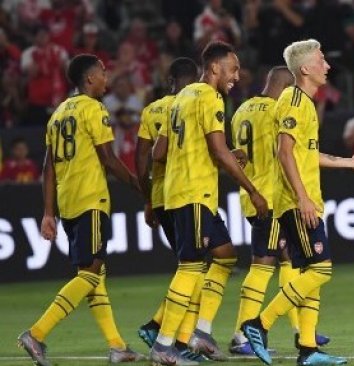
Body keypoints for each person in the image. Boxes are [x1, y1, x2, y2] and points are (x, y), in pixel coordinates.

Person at [240, 39, 354, 366]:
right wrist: (302, 198)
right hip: (295, 202)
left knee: (312, 272)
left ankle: (309, 349)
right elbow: (284, 153)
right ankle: (259, 324)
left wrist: (348, 163)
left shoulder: (304, 104)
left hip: (305, 199)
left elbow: (305, 154)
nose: (327, 65)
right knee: (321, 270)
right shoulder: (293, 100)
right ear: (305, 69)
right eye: (321, 60)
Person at [17, 54, 144, 366]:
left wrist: (49, 211)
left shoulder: (58, 113)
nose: (106, 77)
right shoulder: (94, 109)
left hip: (69, 203)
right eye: (102, 72)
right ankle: (37, 333)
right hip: (91, 200)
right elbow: (109, 158)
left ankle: (116, 346)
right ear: (89, 79)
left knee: (94, 274)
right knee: (90, 273)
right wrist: (138, 184)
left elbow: (48, 166)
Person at [149, 41, 268, 365]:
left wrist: (221, 155)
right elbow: (216, 150)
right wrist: (253, 190)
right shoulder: (210, 97)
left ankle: (200, 332)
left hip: (178, 191)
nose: (237, 75)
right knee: (190, 267)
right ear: (215, 68)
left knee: (225, 256)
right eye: (233, 68)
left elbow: (157, 153)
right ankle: (163, 344)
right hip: (193, 193)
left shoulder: (180, 98)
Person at [229, 66, 330, 356]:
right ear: (286, 87)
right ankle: (243, 333)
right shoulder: (278, 111)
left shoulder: (241, 110)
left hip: (250, 193)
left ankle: (303, 331)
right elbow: (287, 152)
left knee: (289, 261)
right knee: (264, 263)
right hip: (270, 198)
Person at [134, 57, 206, 364]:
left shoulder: (152, 110)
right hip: (187, 192)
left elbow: (141, 162)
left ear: (170, 80)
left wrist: (148, 200)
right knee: (194, 267)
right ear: (195, 79)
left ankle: (170, 334)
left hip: (162, 197)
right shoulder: (195, 104)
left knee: (189, 265)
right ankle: (169, 336)